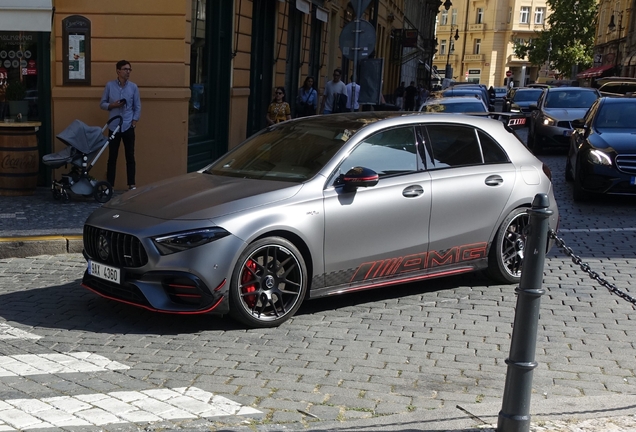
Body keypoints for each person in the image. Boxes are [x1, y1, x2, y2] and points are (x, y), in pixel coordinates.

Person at [100, 60, 141, 191]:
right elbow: (102, 104)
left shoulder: (133, 87)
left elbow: (137, 106)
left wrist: (134, 122)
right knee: (112, 157)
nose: (128, 71)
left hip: (128, 126)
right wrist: (112, 105)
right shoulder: (110, 86)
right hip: (114, 126)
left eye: (129, 69)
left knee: (130, 156)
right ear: (118, 71)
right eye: (125, 69)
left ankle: (132, 185)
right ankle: (110, 185)